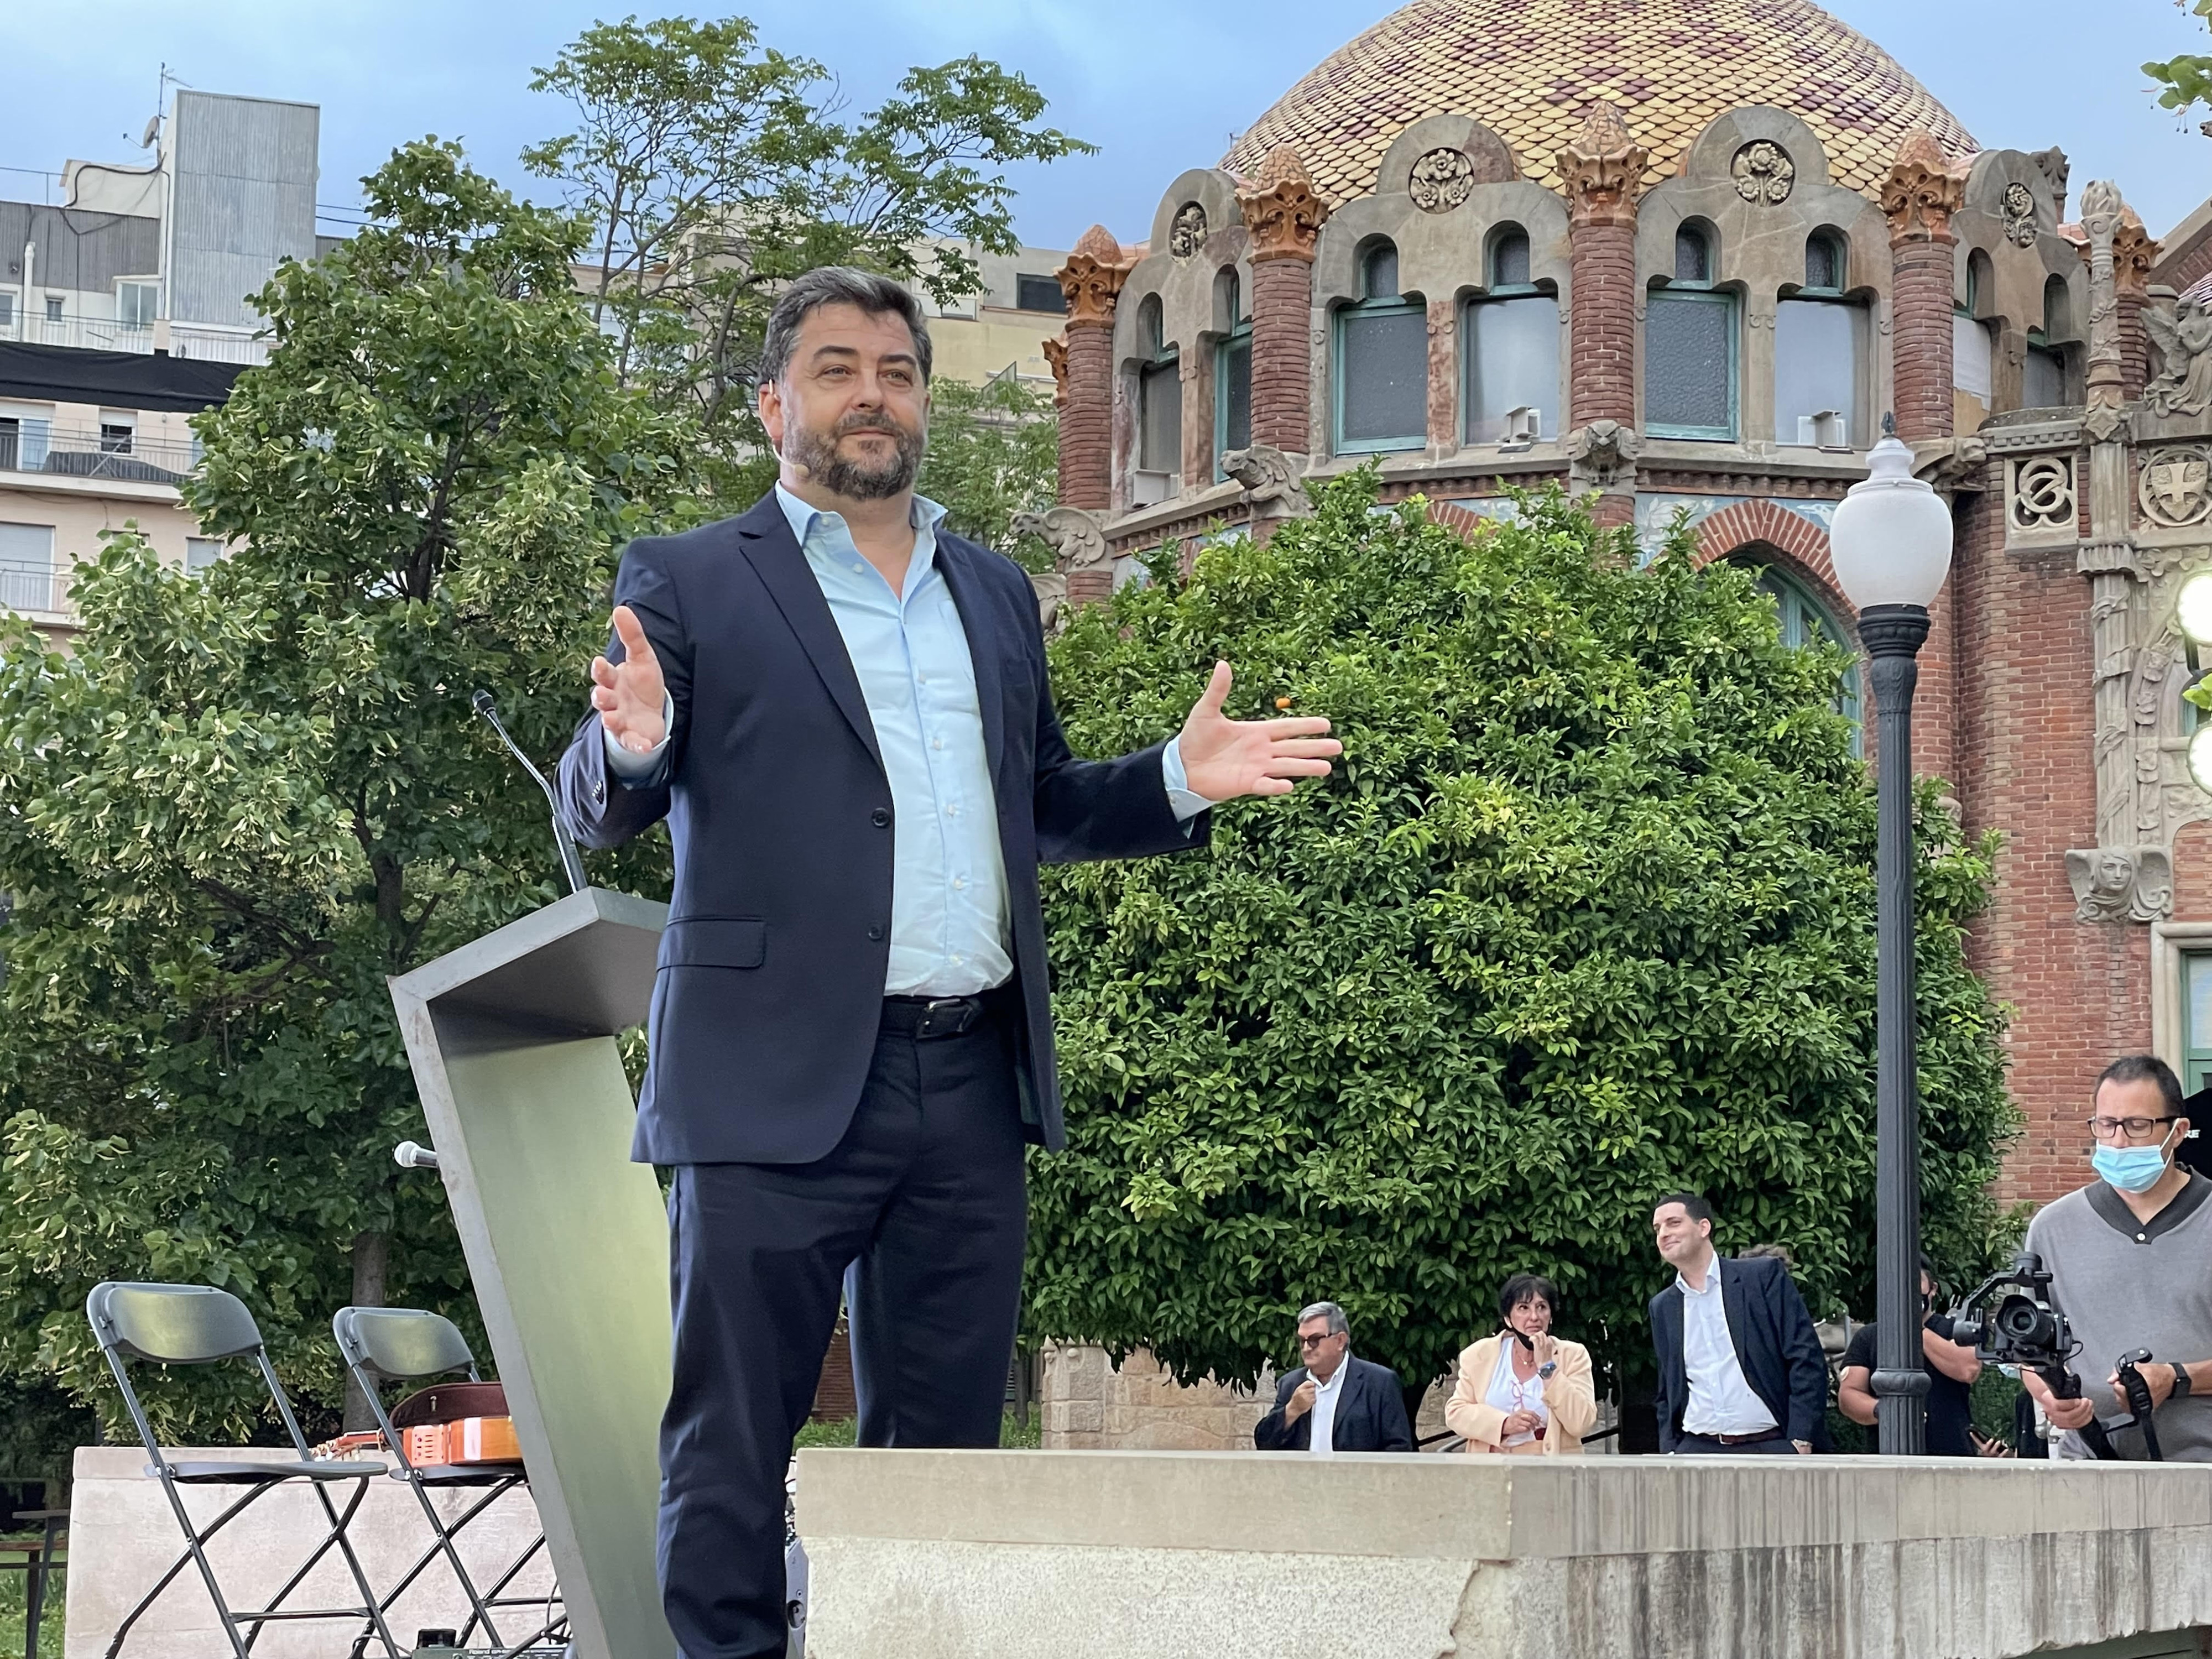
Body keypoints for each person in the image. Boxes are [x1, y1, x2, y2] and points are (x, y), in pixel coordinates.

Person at [557, 266, 1343, 1658]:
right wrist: (631, 740)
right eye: (837, 366)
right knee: (731, 1445)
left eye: (898, 371)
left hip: (965, 1080)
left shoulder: (993, 590)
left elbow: (1035, 804)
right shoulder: (684, 576)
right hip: (764, 1085)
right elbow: (606, 792)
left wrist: (1176, 777)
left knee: (945, 1464)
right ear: (773, 405)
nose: (872, 393)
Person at [2017, 1055, 2212, 1461]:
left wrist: (2176, 1378)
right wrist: (2051, 1398)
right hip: (2088, 1471)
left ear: (2178, 1132)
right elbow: (2029, 1353)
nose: (2119, 1141)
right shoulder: (2052, 1228)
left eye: (2138, 1126)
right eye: (2106, 1125)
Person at [1648, 1192, 1826, 1454]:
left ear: (1704, 1227)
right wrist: (1671, 1449)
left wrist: (1801, 1439)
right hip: (1696, 1449)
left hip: (1772, 1444)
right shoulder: (1663, 1306)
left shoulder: (1762, 1277)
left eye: (1674, 1223)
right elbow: (1668, 1387)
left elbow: (1805, 1357)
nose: (1663, 1233)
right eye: (1657, 1228)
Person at [1837, 1255, 1981, 1455]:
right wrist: (1885, 1411)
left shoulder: (1953, 1329)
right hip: (1887, 1457)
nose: (1907, 1289)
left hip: (1951, 1458)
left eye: (1915, 1281)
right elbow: (1848, 1395)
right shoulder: (1868, 1337)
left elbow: (1968, 1369)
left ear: (1933, 1289)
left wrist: (1914, 1330)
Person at [1445, 1273, 1598, 1455]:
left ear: (1551, 1316)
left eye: (1542, 1307)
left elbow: (1581, 1423)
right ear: (1508, 1318)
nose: (1534, 1316)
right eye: (1523, 1308)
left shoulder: (1573, 1355)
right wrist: (1504, 1424)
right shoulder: (1479, 1355)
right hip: (1492, 1469)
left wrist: (1547, 1367)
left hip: (1551, 1469)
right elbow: (1456, 1413)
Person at [1253, 1303, 1413, 1454]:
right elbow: (1264, 1444)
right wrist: (1291, 1411)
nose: (1307, 1348)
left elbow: (1399, 1448)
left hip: (1357, 1482)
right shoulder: (1291, 1384)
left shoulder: (1379, 1382)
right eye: (1303, 1341)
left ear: (1340, 1341)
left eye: (1315, 1340)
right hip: (1302, 1482)